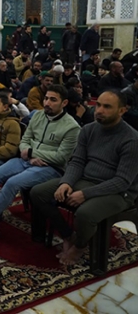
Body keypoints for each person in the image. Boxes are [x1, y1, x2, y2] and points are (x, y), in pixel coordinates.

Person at [30, 90, 138, 265]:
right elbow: (77, 161)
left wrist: (85, 194)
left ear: (122, 110)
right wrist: (66, 182)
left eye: (107, 107)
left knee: (85, 214)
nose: (99, 110)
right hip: (86, 180)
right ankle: (69, 235)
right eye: (98, 105)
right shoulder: (88, 129)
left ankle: (80, 246)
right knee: (38, 192)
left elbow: (122, 181)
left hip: (118, 193)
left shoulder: (131, 140)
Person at [0, 85, 80, 240]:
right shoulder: (38, 116)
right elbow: (25, 140)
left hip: (50, 168)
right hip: (26, 160)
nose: (47, 103)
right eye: (46, 98)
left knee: (12, 183)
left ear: (64, 103)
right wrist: (29, 154)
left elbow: (61, 157)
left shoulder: (72, 127)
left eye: (53, 100)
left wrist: (32, 152)